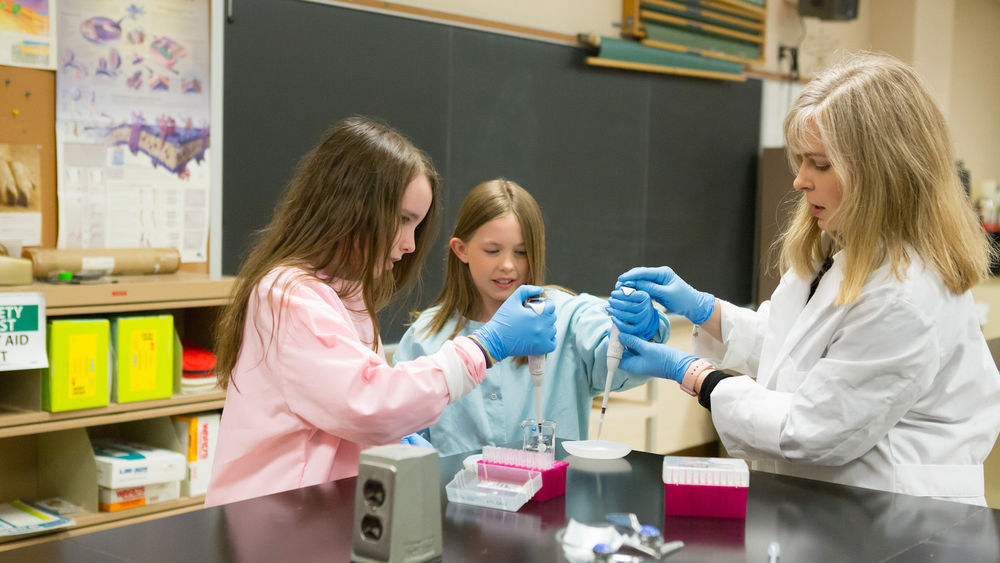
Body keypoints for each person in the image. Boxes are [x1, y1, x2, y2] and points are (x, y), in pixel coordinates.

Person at [608, 52, 1000, 505]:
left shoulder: (905, 297)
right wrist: (702, 309)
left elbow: (814, 430)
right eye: (801, 161)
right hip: (830, 504)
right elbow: (790, 348)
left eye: (820, 163)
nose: (798, 181)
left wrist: (691, 373)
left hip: (898, 517)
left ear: (880, 171)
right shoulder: (841, 249)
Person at [205, 118, 557, 506]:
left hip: (316, 513)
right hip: (274, 523)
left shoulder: (346, 294)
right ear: (351, 205)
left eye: (417, 226)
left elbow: (351, 407)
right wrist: (483, 348)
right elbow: (369, 404)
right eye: (404, 220)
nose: (409, 244)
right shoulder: (289, 295)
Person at [393, 179, 667, 456]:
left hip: (554, 494)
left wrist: (640, 328)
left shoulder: (568, 317)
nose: (508, 265)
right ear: (461, 250)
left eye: (522, 252)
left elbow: (618, 360)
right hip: (459, 496)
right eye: (492, 250)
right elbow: (399, 431)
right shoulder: (424, 339)